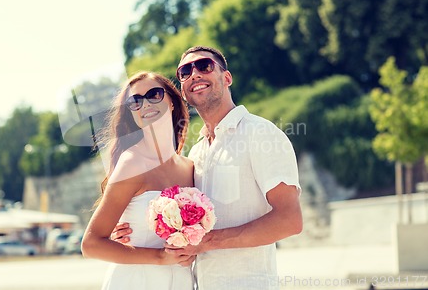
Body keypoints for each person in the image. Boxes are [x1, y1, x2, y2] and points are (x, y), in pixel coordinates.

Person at [112, 46, 303, 290]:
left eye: (204, 66)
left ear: (226, 78)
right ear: (182, 90)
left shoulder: (261, 134)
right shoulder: (196, 154)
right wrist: (133, 232)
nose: (194, 74)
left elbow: (290, 220)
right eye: (185, 71)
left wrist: (206, 242)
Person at [81, 72, 195, 290]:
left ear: (172, 102)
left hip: (181, 281)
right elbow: (91, 244)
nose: (146, 104)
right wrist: (161, 257)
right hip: (137, 281)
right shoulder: (132, 163)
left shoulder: (189, 167)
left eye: (154, 94)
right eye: (135, 101)